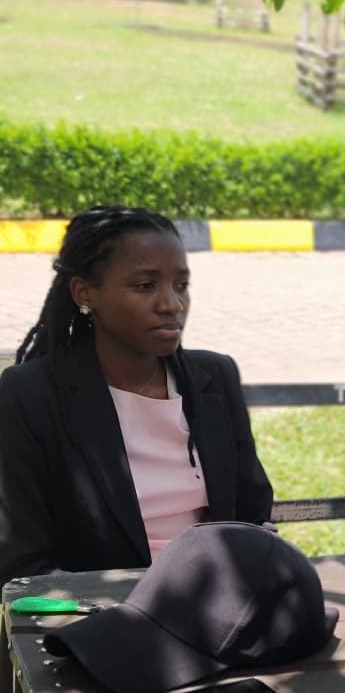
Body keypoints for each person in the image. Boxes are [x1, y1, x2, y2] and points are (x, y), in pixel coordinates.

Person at [0, 205, 274, 588]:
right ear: (84, 293)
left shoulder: (213, 377)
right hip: (100, 610)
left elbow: (252, 513)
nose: (172, 304)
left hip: (218, 597)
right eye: (145, 286)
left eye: (181, 285)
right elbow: (21, 560)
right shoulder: (30, 395)